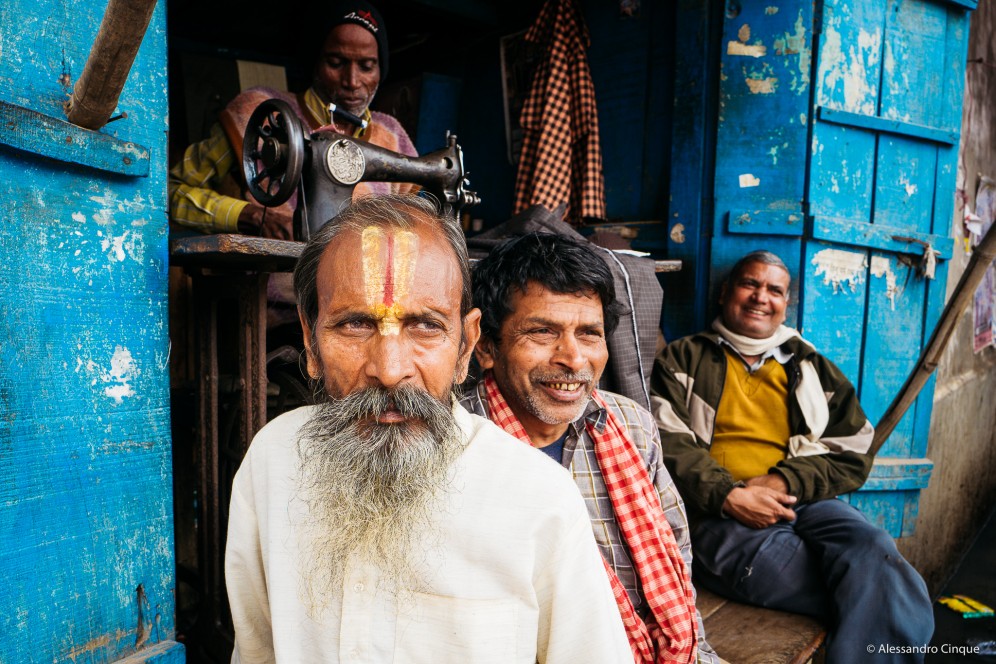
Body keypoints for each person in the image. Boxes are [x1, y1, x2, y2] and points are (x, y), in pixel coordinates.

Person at [224, 196, 632, 663]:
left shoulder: (539, 499)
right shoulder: (273, 460)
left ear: (466, 346)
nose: (390, 369)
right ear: (310, 340)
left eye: (425, 326)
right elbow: (256, 650)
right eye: (355, 324)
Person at [650, 250, 934, 663]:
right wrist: (730, 494)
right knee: (880, 588)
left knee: (873, 548)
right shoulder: (683, 359)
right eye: (749, 284)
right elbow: (664, 442)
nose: (760, 297)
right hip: (716, 510)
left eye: (774, 290)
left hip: (804, 499)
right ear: (725, 293)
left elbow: (854, 448)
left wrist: (784, 482)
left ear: (786, 303)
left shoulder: (810, 366)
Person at [461, 232, 718, 664]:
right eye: (543, 332)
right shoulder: (456, 446)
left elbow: (676, 550)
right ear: (486, 346)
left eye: (589, 334)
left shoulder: (629, 422)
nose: (574, 358)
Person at [169, 0, 416, 239]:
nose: (351, 81)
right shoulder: (258, 113)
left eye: (366, 66)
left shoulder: (391, 135)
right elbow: (172, 191)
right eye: (336, 63)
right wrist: (248, 215)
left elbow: (422, 213)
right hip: (274, 277)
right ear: (315, 61)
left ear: (380, 70)